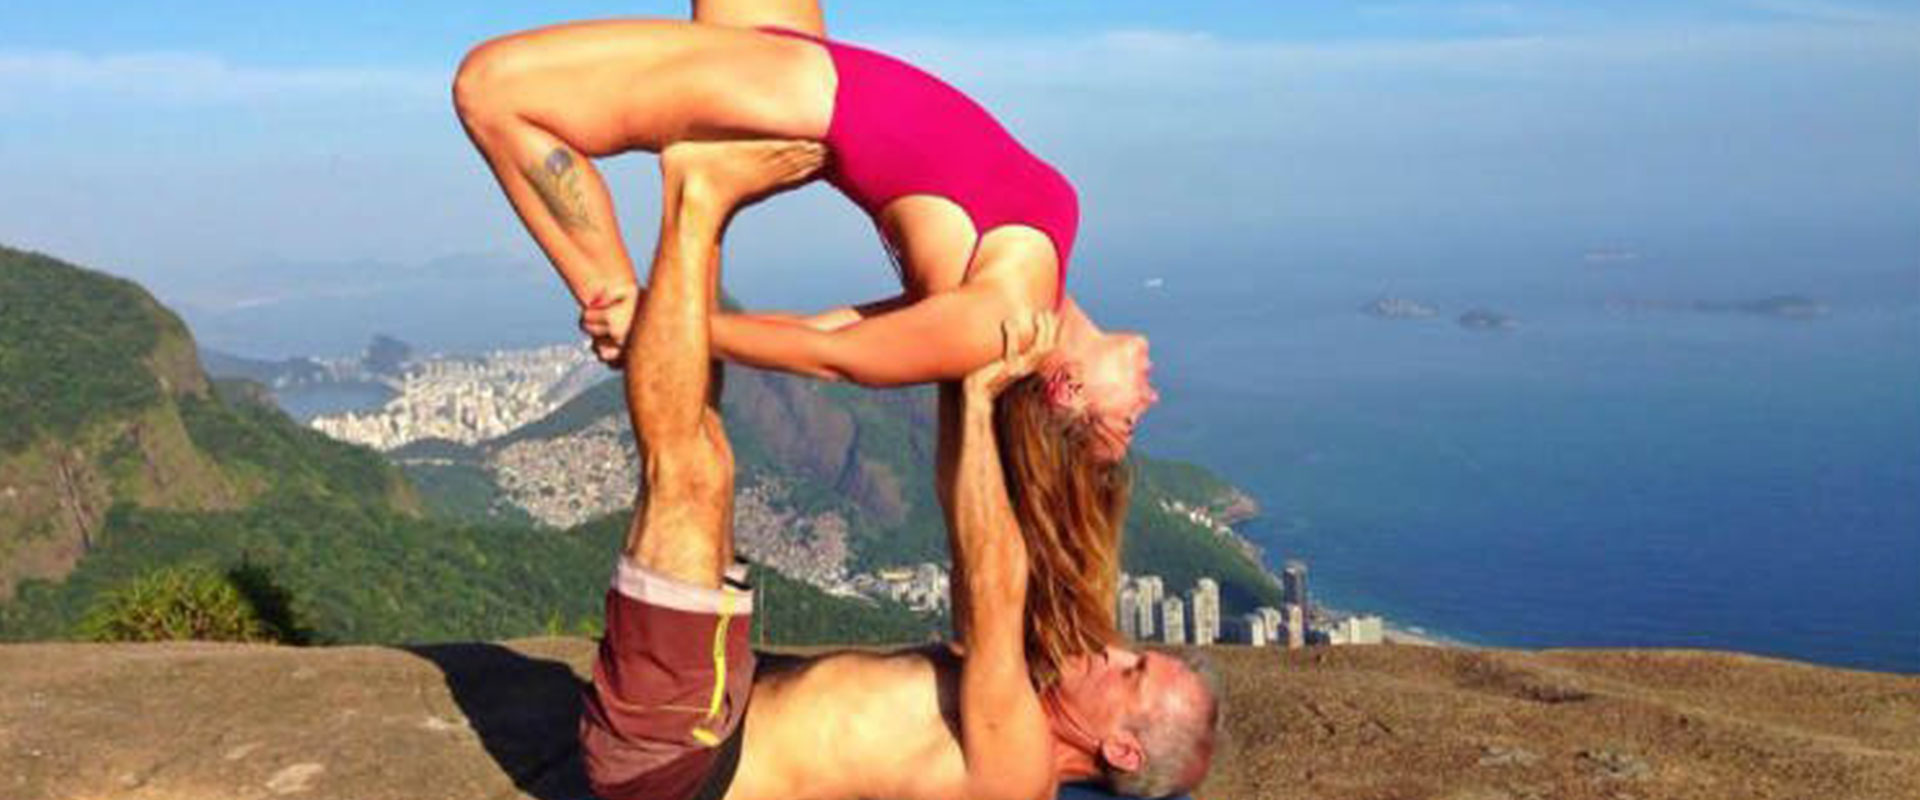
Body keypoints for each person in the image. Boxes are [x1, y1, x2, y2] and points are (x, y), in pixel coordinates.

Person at [453, 0, 1153, 675]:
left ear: (1067, 390)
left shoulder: (996, 325)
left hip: (793, 92)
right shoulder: (1044, 283)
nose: (1150, 395)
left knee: (490, 90)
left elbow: (834, 352)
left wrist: (658, 324)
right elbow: (837, 328)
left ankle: (609, 298)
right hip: (802, 56)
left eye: (1127, 420)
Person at [576, 146, 1219, 800]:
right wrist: (961, 358)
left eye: (1131, 671)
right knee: (703, 437)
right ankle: (679, 272)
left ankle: (696, 192)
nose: (1111, 650)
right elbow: (965, 524)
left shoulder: (1019, 774)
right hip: (719, 695)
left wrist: (978, 401)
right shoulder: (1007, 706)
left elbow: (995, 581)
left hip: (678, 758)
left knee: (690, 474)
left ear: (1121, 748)